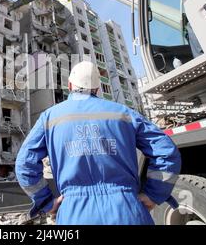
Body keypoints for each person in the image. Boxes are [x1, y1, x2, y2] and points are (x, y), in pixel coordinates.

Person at [15, 61, 181, 225]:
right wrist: (154, 194)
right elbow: (166, 151)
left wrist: (46, 202)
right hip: (127, 210)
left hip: (74, 213)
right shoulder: (124, 113)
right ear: (97, 88)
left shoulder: (50, 118)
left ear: (70, 85)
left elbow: (25, 165)